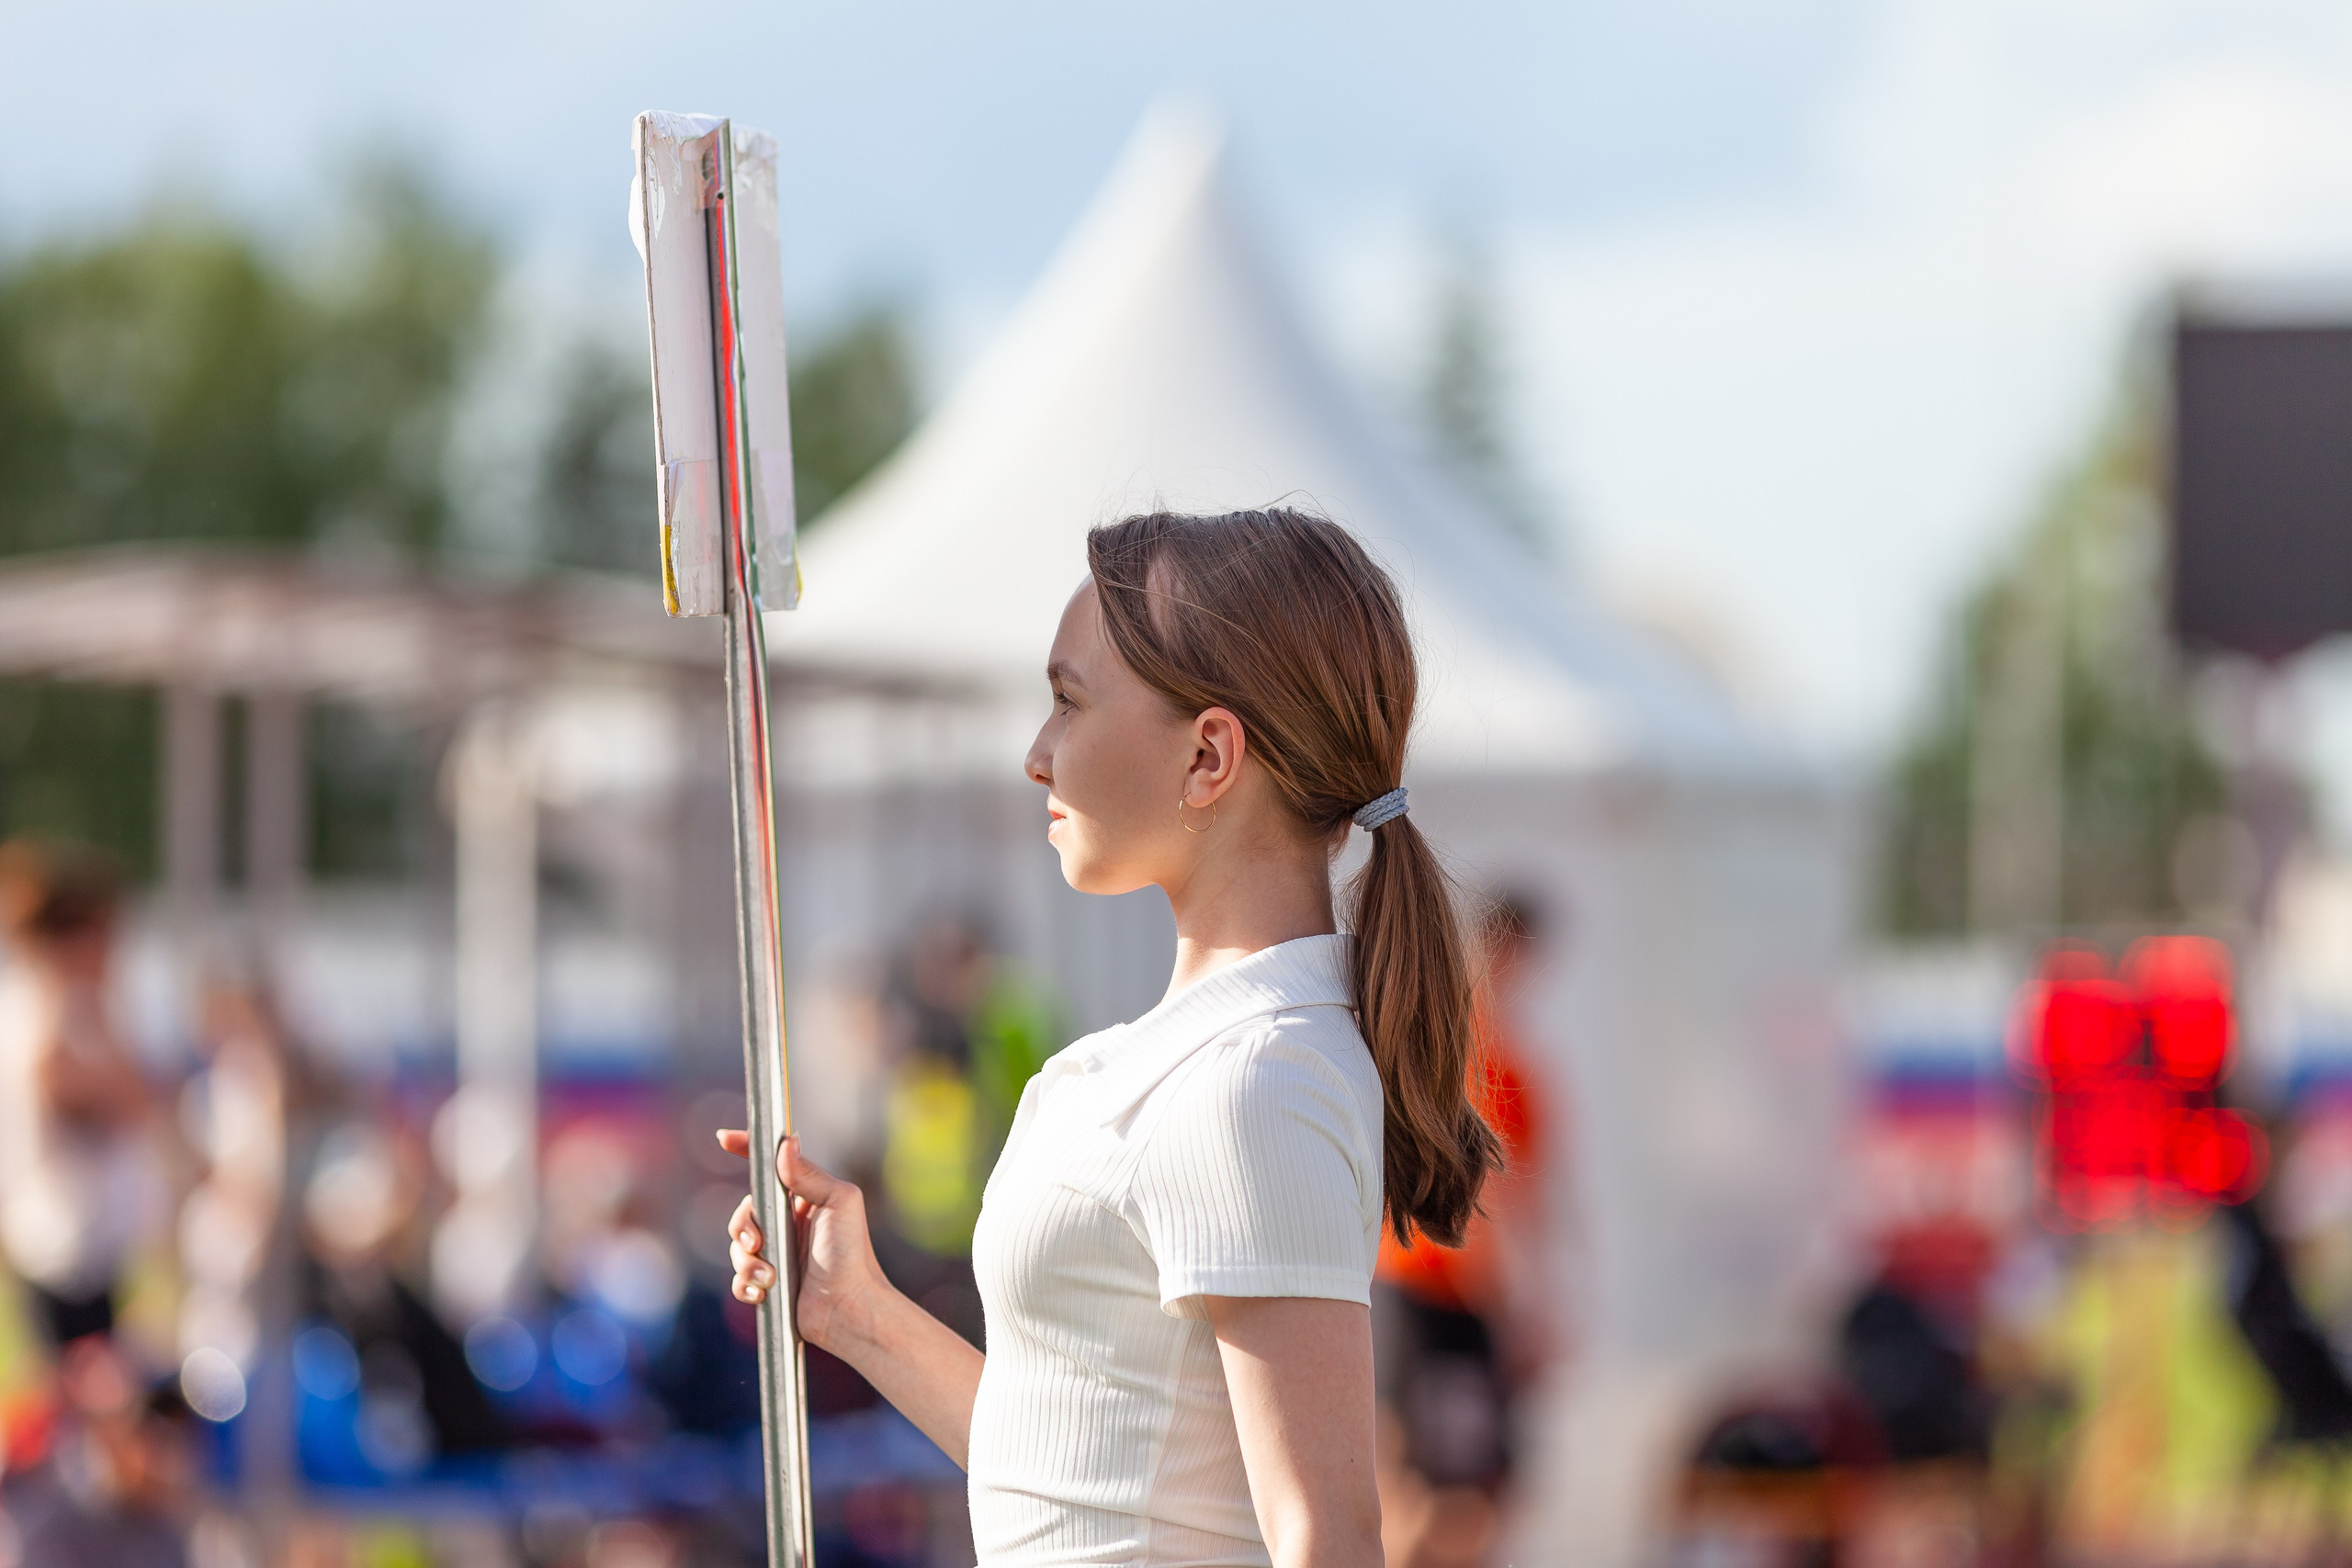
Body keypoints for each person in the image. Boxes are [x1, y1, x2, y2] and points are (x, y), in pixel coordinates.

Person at [723, 508, 1503, 1567]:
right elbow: (1076, 1475)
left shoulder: (1253, 1080)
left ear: (1208, 755)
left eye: (1067, 700)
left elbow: (1327, 1538)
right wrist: (860, 1315)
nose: (1038, 754)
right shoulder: (1172, 1064)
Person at [0, 840, 158, 1349]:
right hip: (54, 1245)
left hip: (95, 1245)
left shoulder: (88, 1008)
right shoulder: (36, 1005)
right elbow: (71, 1093)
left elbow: (135, 1103)